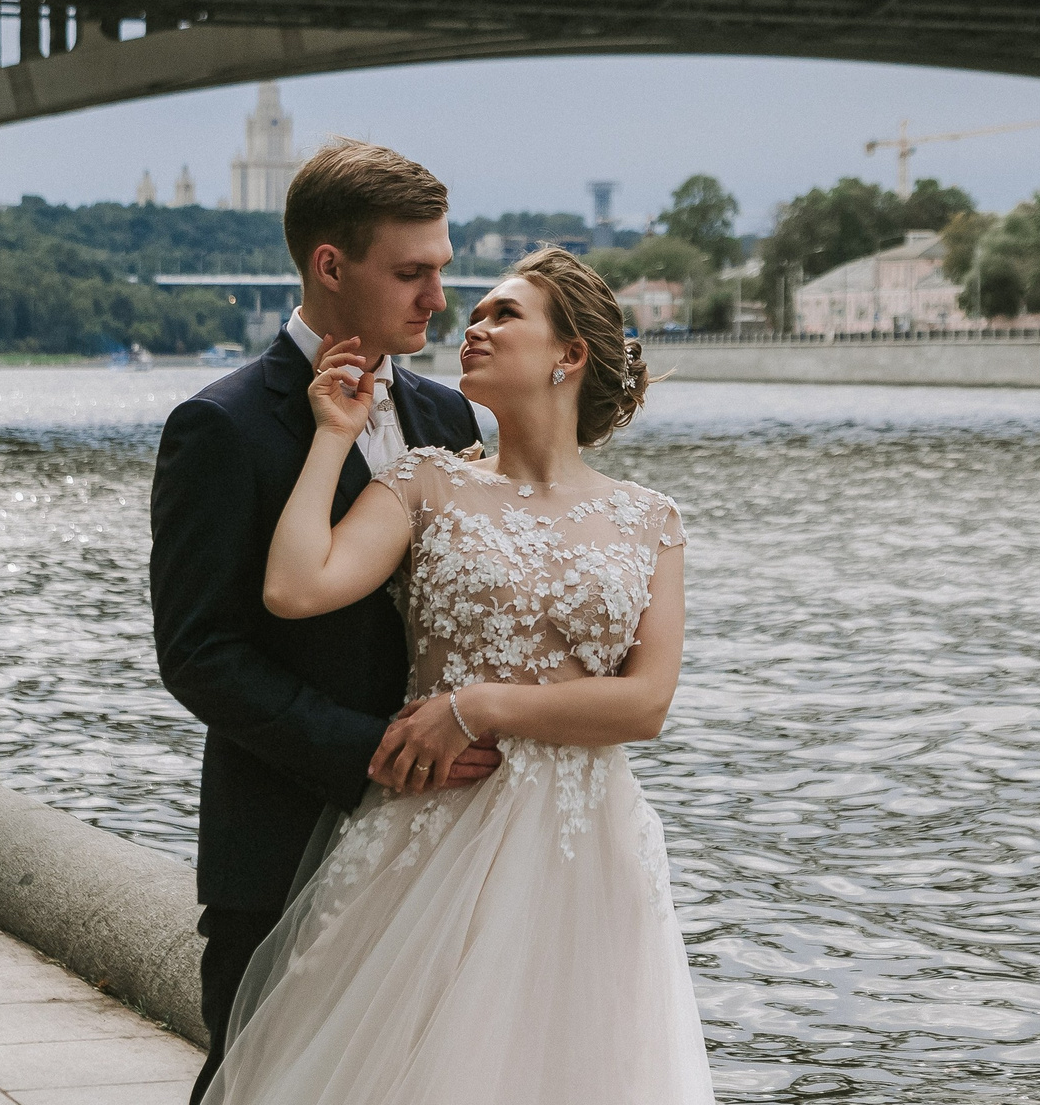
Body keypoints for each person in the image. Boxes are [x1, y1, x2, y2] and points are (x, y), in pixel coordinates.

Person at [198, 246, 713, 1105]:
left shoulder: (650, 519)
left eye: (503, 314)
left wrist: (478, 706)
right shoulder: (425, 482)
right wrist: (331, 436)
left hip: (585, 849)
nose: (471, 324)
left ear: (570, 354)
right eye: (474, 313)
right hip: (429, 832)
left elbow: (647, 703)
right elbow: (293, 588)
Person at [150, 141, 495, 1104]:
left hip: (442, 835)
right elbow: (197, 653)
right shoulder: (220, 426)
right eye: (412, 272)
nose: (439, 298)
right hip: (282, 835)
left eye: (443, 270)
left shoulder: (451, 417)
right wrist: (367, 748)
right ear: (329, 266)